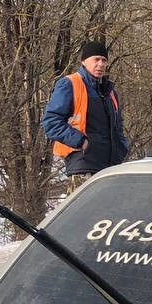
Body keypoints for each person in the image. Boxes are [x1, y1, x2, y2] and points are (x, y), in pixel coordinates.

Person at [42, 40, 128, 191]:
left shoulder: (110, 92)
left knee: (107, 214)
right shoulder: (70, 84)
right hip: (83, 166)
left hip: (111, 167)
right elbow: (51, 123)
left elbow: (118, 126)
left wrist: (122, 149)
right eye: (96, 59)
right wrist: (82, 142)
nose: (101, 64)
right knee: (83, 215)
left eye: (104, 60)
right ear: (84, 61)